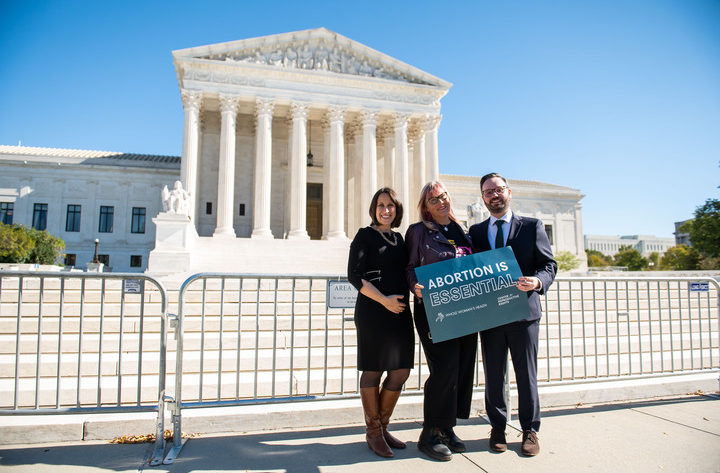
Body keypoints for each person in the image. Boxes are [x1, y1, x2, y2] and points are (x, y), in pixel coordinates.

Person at [468, 173, 557, 457]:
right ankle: (498, 428)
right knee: (494, 375)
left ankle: (530, 430)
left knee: (526, 375)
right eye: (488, 192)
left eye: (498, 189)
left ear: (509, 192)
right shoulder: (478, 232)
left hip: (524, 314)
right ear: (483, 198)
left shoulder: (532, 226)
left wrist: (537, 281)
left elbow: (548, 265)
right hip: (492, 316)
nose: (494, 195)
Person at [405, 181, 477, 461]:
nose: (440, 202)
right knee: (444, 369)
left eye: (443, 196)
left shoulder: (462, 231)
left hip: (466, 308)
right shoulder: (419, 232)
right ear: (426, 207)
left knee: (459, 369)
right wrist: (415, 286)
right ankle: (429, 433)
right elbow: (410, 267)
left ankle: (446, 427)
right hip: (434, 309)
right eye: (433, 200)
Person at [347, 187, 415, 458]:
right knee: (373, 369)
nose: (386, 210)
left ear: (397, 210)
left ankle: (382, 427)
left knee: (401, 371)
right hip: (374, 311)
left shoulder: (400, 239)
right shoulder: (365, 235)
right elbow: (354, 275)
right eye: (381, 205)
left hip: (400, 313)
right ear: (374, 208)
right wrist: (384, 300)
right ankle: (373, 431)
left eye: (391, 206)